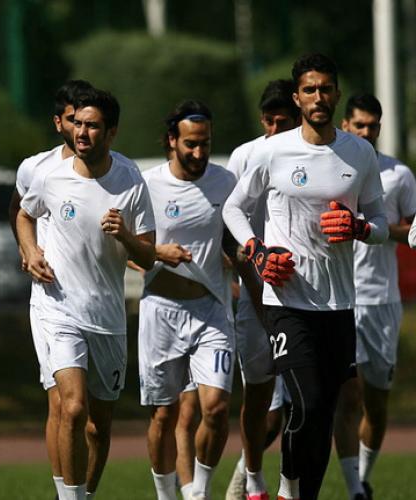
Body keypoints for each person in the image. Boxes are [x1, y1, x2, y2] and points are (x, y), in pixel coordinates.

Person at [223, 53, 388, 500]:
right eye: (309, 89)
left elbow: (379, 222)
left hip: (339, 304)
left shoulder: (359, 153)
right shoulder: (272, 151)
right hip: (286, 302)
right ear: (297, 97)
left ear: (336, 94)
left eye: (326, 89)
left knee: (322, 416)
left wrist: (359, 228)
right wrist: (257, 251)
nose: (319, 97)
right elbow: (233, 208)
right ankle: (286, 489)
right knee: (306, 402)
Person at [17, 88, 155, 500]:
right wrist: (30, 251)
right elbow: (24, 215)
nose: (81, 132)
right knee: (72, 407)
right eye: (77, 123)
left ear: (111, 133)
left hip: (107, 316)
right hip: (57, 308)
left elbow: (148, 256)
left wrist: (124, 235)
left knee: (98, 426)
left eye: (92, 126)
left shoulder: (130, 180)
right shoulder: (51, 176)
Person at [138, 101, 236, 500]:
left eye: (205, 144)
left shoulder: (225, 182)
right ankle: (166, 495)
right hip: (161, 311)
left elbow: (235, 241)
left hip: (211, 310)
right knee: (164, 415)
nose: (198, 152)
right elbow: (127, 249)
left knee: (216, 407)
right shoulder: (146, 185)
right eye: (190, 144)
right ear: (171, 141)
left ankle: (199, 493)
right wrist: (159, 253)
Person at [332, 94, 416, 500]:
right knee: (348, 396)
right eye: (360, 125)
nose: (367, 132)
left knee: (377, 404)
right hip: (339, 300)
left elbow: (413, 231)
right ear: (346, 125)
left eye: (373, 126)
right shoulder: (331, 167)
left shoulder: (399, 175)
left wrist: (373, 228)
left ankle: (363, 477)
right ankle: (354, 489)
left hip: (382, 301)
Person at [224, 79, 302, 500]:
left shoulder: (314, 154)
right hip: (256, 297)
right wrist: (252, 288)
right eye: (268, 122)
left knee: (301, 403)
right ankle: (252, 480)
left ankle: (288, 485)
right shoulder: (245, 156)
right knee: (259, 400)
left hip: (303, 297)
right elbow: (231, 231)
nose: (274, 130)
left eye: (282, 122)